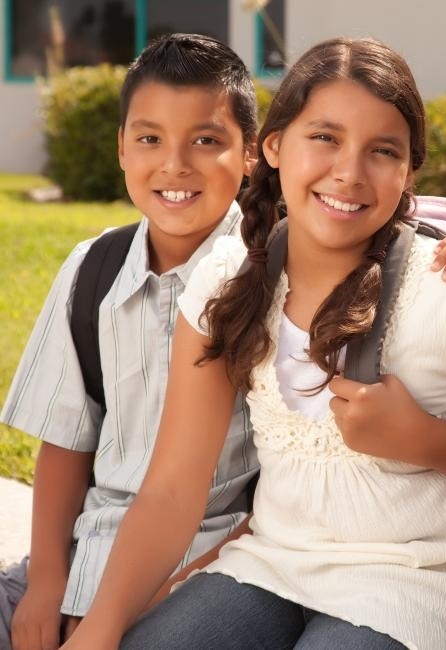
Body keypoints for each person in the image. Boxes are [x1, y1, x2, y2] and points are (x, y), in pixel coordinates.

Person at [60, 37, 446, 650]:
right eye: (324, 138)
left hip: (421, 584)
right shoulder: (227, 280)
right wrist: (101, 628)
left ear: (409, 169)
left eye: (382, 151)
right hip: (271, 566)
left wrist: (425, 441)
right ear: (273, 146)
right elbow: (171, 491)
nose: (349, 173)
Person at [0, 33, 260, 650]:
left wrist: (127, 610)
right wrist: (45, 586)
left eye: (206, 140)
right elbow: (66, 442)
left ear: (252, 153)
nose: (174, 165)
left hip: (208, 573)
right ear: (121, 148)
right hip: (77, 562)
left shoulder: (269, 278)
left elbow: (279, 499)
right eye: (149, 139)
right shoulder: (93, 269)